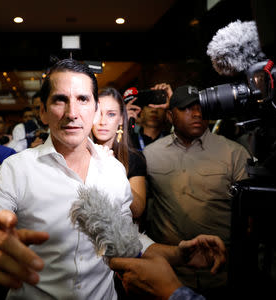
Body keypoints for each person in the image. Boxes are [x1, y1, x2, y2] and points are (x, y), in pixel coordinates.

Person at [0, 59, 227, 299]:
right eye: (60, 99)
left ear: (94, 110)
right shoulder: (16, 171)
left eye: (82, 99)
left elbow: (125, 240)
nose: (72, 113)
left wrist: (180, 255)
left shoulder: (114, 170)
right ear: (43, 112)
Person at [143, 85, 251, 296]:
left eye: (202, 108)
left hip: (223, 276)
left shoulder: (234, 153)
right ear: (170, 116)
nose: (197, 114)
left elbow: (251, 221)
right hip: (168, 277)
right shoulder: (150, 155)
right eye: (186, 108)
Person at [91, 87, 146, 220]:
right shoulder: (78, 154)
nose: (102, 121)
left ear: (121, 119)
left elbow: (138, 210)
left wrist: (112, 169)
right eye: (97, 113)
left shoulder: (134, 158)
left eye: (111, 114)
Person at [125, 83, 173, 150]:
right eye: (149, 106)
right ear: (141, 112)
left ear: (166, 113)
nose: (154, 110)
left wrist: (173, 103)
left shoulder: (173, 140)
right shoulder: (128, 140)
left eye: (159, 105)